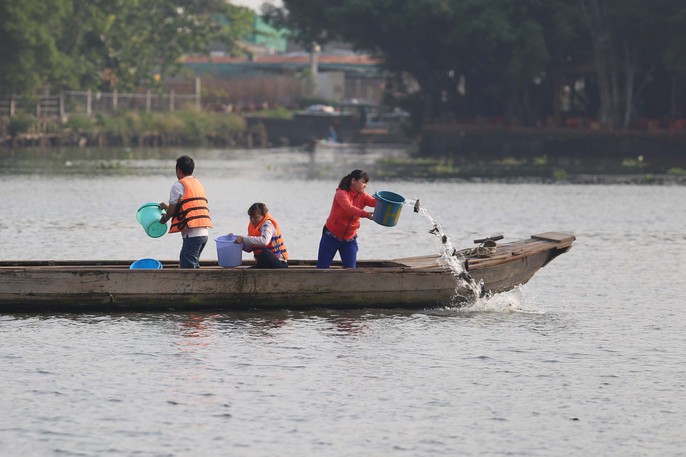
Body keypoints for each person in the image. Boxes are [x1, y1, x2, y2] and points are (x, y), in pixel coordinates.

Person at [159, 155, 213, 269]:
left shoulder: (178, 185)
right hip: (203, 233)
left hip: (193, 234)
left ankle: (191, 287)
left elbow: (172, 212)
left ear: (178, 170)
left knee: (187, 268)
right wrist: (167, 207)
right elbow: (187, 207)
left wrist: (164, 219)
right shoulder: (197, 183)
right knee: (193, 265)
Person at [317, 169, 376, 269]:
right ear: (353, 181)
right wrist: (366, 214)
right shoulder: (341, 193)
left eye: (366, 183)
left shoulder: (363, 196)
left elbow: (375, 203)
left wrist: (385, 200)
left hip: (350, 239)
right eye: (363, 182)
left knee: (350, 271)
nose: (365, 185)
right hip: (331, 236)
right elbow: (348, 208)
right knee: (322, 269)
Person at [233, 203, 288, 269]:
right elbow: (249, 248)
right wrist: (237, 242)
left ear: (264, 215)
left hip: (279, 263)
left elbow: (264, 241)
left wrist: (243, 239)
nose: (253, 220)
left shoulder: (267, 224)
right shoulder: (253, 226)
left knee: (265, 253)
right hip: (264, 263)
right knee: (246, 271)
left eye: (256, 217)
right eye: (251, 217)